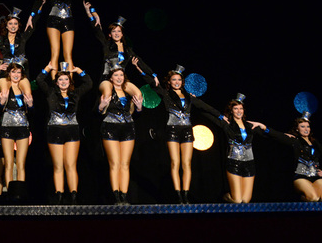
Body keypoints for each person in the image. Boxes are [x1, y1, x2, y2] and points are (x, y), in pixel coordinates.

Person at [137, 63, 221, 204]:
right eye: (174, 80)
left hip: (187, 131)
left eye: (179, 80)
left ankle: (186, 194)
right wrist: (140, 70)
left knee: (186, 163)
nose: (177, 82)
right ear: (169, 82)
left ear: (182, 82)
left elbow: (205, 107)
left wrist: (221, 116)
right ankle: (178, 195)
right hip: (172, 130)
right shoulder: (166, 94)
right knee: (175, 162)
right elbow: (152, 83)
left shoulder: (189, 97)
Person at [28, 0, 99, 73]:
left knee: (68, 54)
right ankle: (54, 82)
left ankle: (69, 82)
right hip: (53, 21)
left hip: (68, 21)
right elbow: (38, 0)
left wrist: (94, 13)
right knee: (55, 53)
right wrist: (31, 16)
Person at [36, 62, 92, 204]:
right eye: (60, 79)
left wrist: (79, 70)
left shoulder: (76, 93)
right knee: (58, 166)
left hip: (72, 131)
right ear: (56, 82)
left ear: (70, 81)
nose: (63, 81)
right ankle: (59, 196)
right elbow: (39, 80)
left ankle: (73, 196)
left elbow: (89, 83)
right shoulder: (50, 93)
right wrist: (48, 68)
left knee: (71, 165)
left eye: (66, 79)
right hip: (55, 131)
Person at [201, 94, 270, 203]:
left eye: (241, 108)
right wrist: (192, 100)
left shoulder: (250, 126)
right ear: (231, 111)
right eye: (236, 108)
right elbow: (207, 113)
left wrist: (265, 127)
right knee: (237, 200)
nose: (239, 111)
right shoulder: (227, 124)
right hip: (234, 163)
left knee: (245, 200)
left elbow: (269, 134)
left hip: (249, 164)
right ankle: (225, 196)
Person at [97, 60, 144, 205]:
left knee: (125, 164)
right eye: (116, 75)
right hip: (110, 128)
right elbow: (97, 113)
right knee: (115, 163)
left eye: (121, 75)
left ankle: (124, 197)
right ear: (111, 78)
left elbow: (136, 113)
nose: (119, 78)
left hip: (128, 128)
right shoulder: (107, 91)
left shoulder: (128, 92)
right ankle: (116, 197)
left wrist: (139, 108)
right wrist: (101, 106)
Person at [267, 112, 322, 202]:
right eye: (302, 126)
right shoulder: (295, 141)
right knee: (313, 198)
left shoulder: (315, 142)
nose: (306, 129)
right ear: (297, 129)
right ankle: (299, 200)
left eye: (308, 126)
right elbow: (277, 135)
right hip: (301, 176)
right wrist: (264, 127)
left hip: (315, 176)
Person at [0, 60, 33, 192]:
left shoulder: (25, 89)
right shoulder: (5, 88)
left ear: (22, 75)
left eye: (19, 72)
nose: (16, 75)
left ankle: (20, 193)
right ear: (9, 74)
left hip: (22, 128)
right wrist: (2, 102)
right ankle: (10, 193)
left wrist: (30, 105)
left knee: (21, 163)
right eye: (13, 72)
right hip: (7, 128)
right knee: (9, 163)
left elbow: (32, 113)